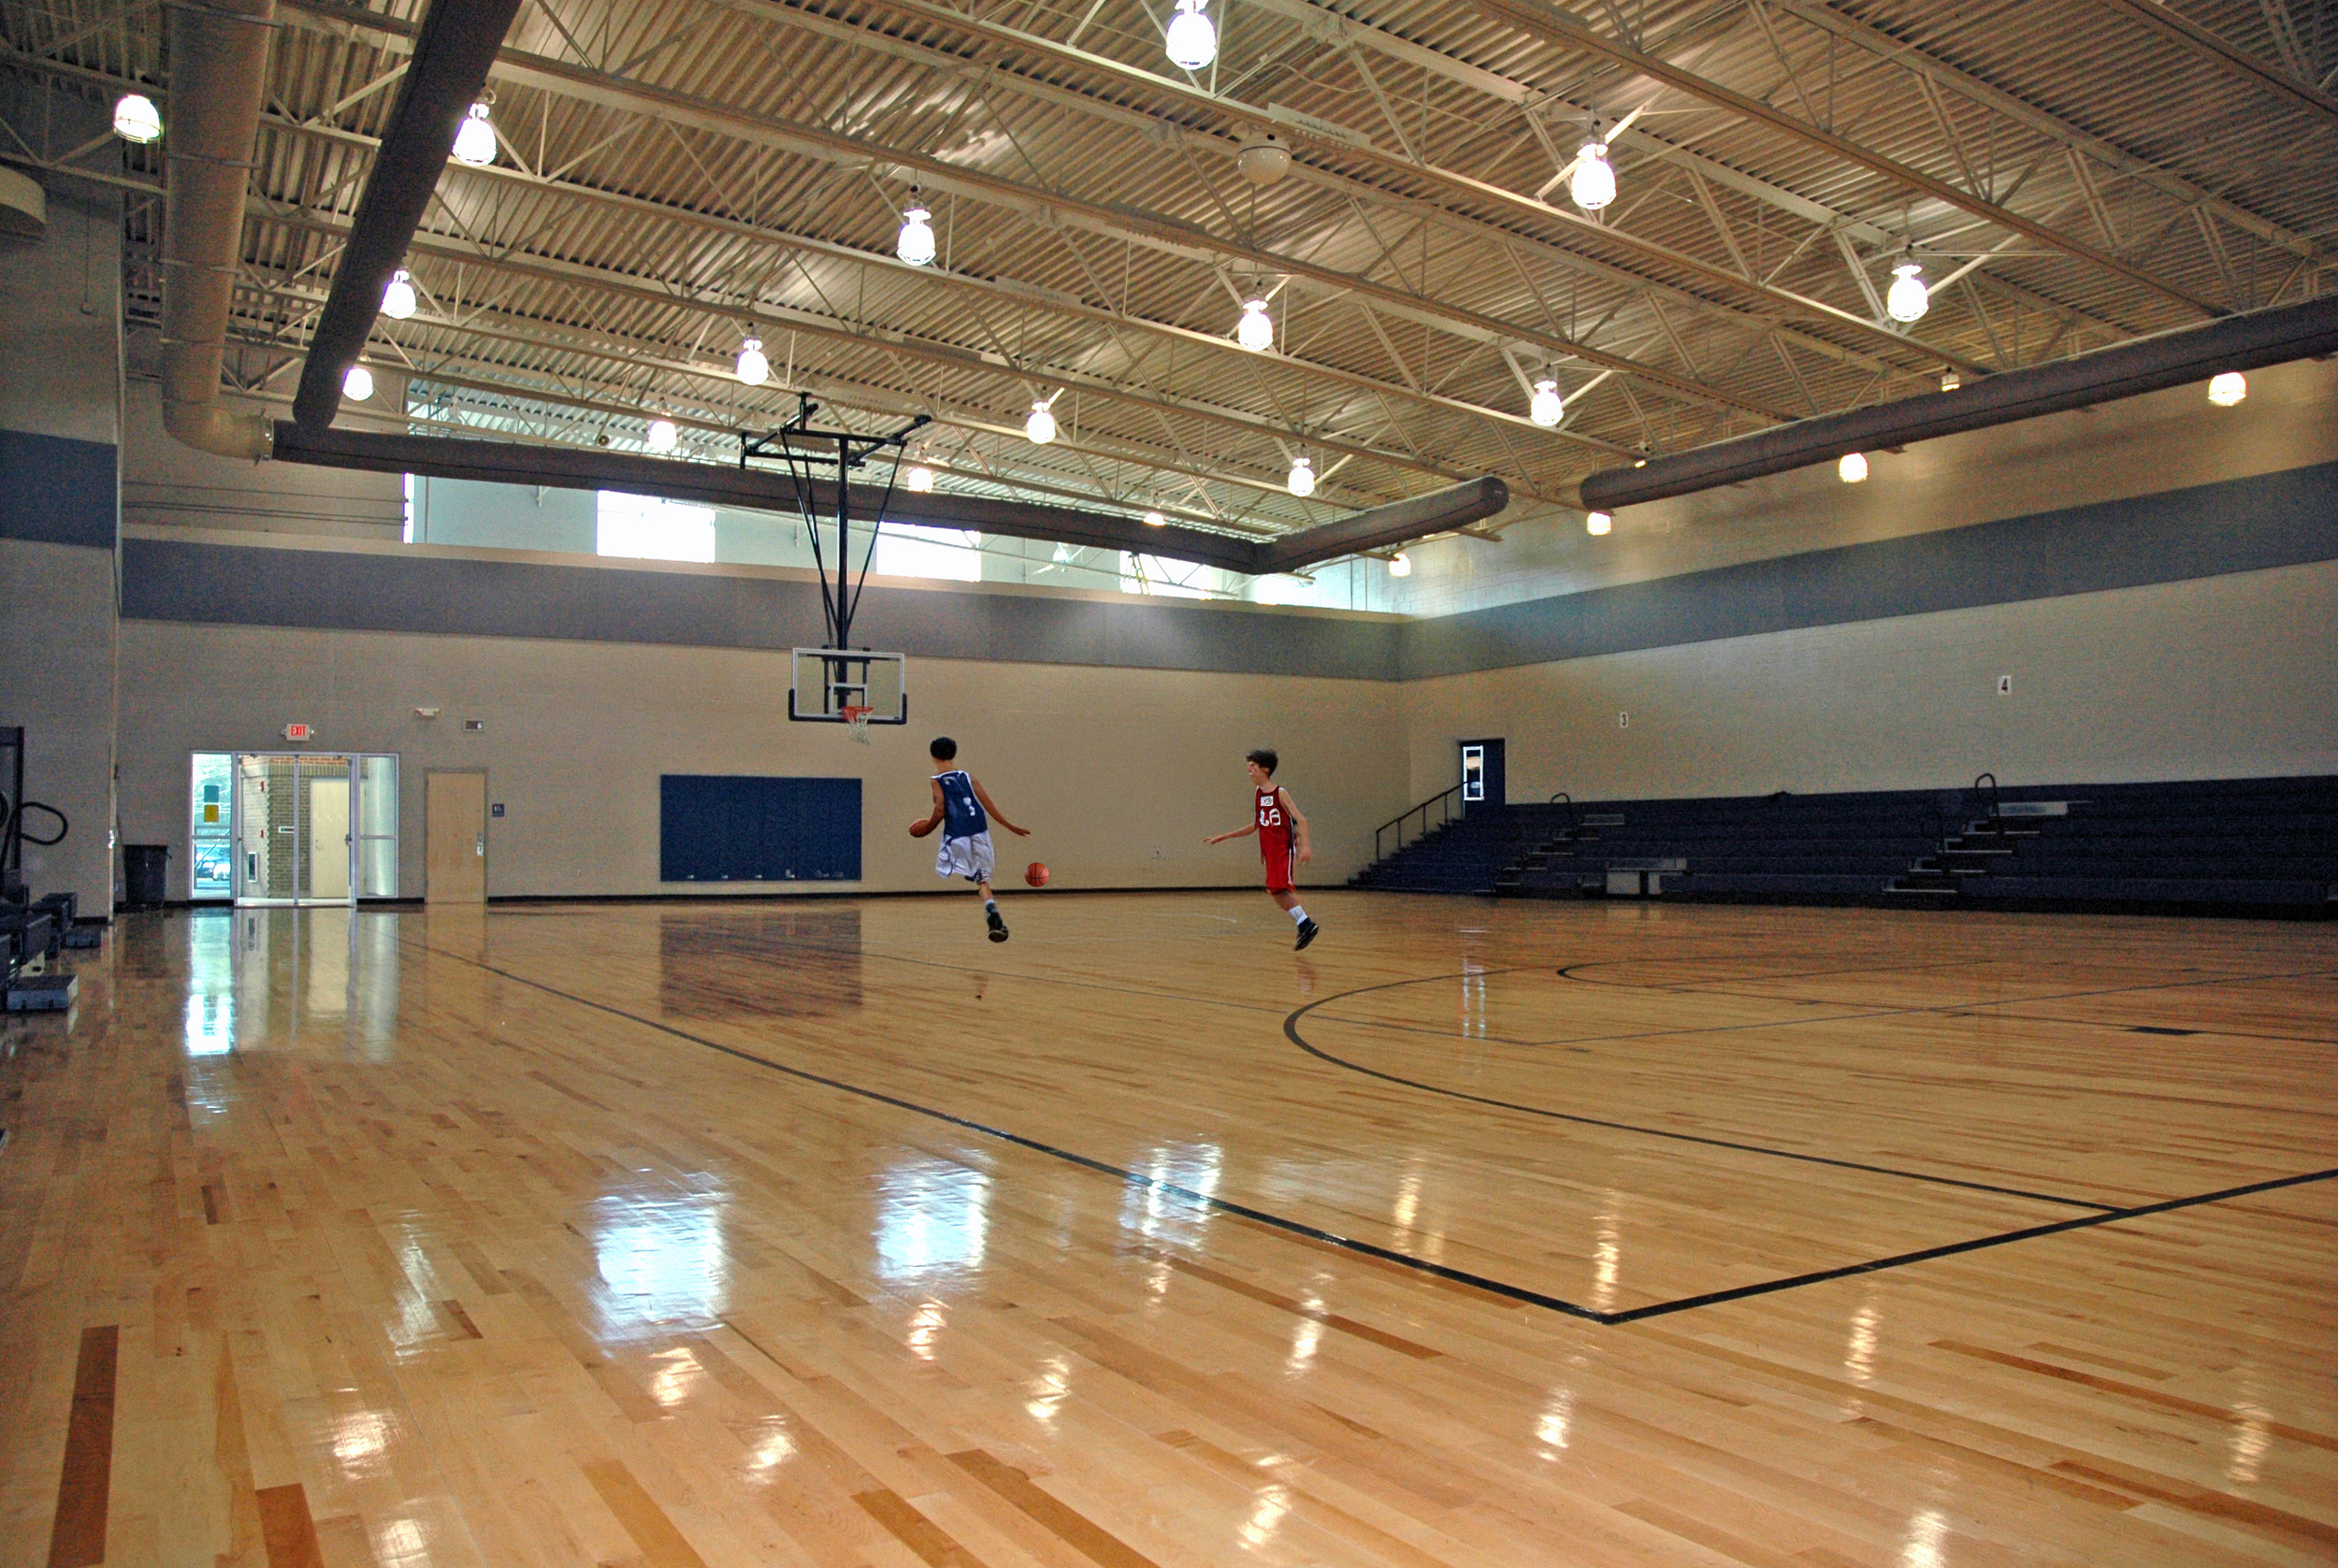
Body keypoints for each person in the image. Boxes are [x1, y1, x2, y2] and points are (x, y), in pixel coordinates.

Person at [909, 737, 1029, 942]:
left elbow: (940, 808)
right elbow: (988, 806)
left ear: (933, 756)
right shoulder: (968, 777)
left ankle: (980, 891)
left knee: (951, 867)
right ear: (954, 754)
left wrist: (927, 827)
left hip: (956, 834)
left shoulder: (936, 780)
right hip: (980, 831)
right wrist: (1009, 826)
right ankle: (991, 909)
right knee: (983, 879)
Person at [1204, 748, 1320, 949]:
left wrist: (1306, 847)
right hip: (1269, 851)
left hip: (1283, 849)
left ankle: (1306, 924)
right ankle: (1304, 923)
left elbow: (1302, 820)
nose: (1249, 770)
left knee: (1280, 888)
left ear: (1265, 769)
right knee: (1276, 891)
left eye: (1253, 767)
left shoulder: (1279, 793)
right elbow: (1256, 825)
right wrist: (1224, 836)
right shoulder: (1258, 794)